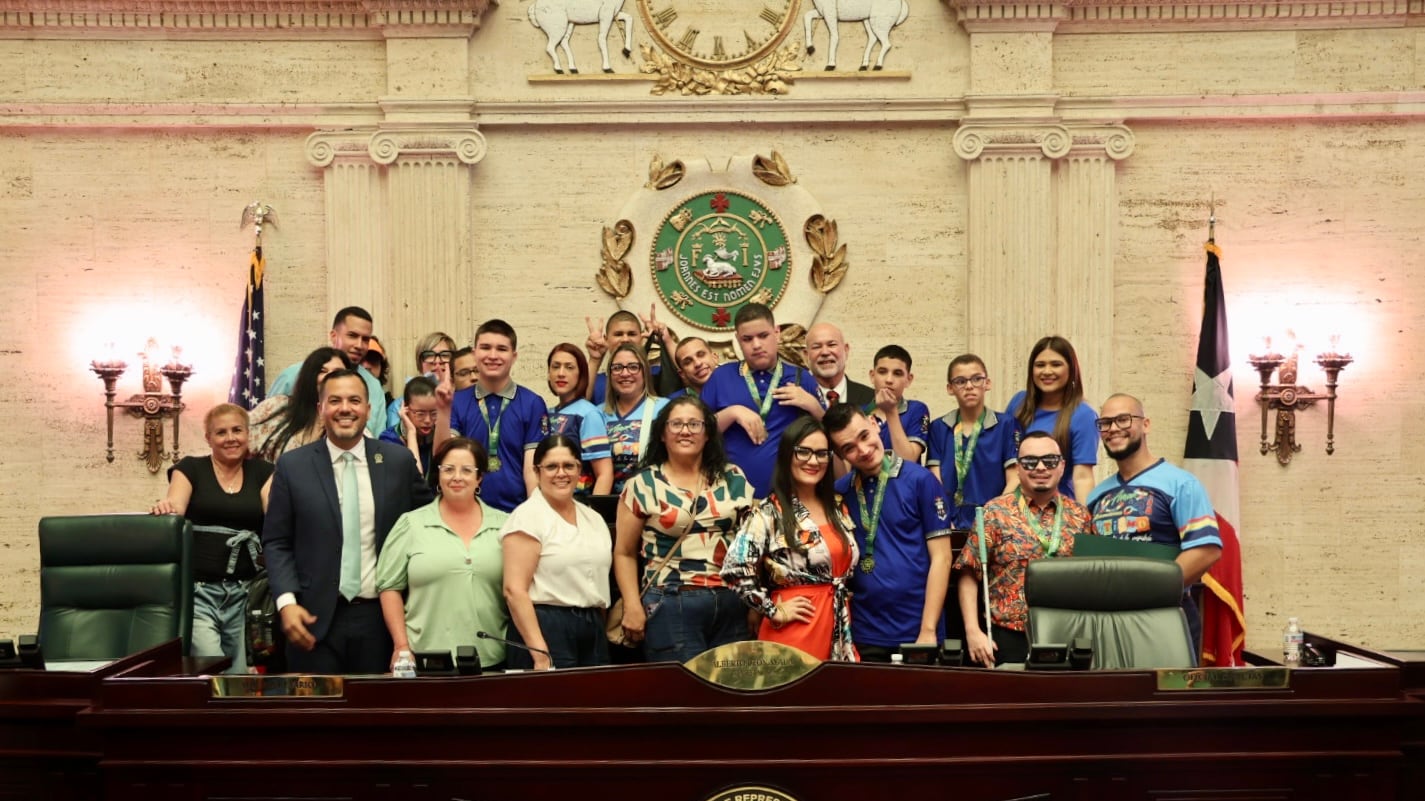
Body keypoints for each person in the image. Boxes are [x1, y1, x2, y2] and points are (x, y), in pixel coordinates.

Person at [262, 368, 433, 674]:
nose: (345, 408)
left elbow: (431, 521)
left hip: (381, 621)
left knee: (375, 716)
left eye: (354, 400)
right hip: (310, 621)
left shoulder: (398, 462)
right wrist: (286, 602)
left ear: (368, 409)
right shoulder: (293, 466)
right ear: (321, 409)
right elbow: (277, 541)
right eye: (335, 400)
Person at [614, 396, 756, 662]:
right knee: (681, 697)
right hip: (671, 602)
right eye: (676, 424)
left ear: (707, 435)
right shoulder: (643, 485)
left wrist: (754, 603)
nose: (685, 430)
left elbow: (750, 547)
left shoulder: (733, 476)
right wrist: (632, 605)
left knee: (731, 694)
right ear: (662, 434)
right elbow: (624, 553)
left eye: (694, 424)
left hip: (731, 603)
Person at [1086, 393, 1223, 659]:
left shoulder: (1181, 483)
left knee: (1166, 699)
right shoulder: (1096, 496)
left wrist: (1149, 591)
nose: (1113, 429)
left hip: (1167, 615)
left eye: (1123, 420)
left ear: (1145, 424)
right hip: (1109, 619)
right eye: (1105, 423)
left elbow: (1207, 549)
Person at [722, 417, 859, 661]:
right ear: (787, 455)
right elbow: (734, 568)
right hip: (795, 627)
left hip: (837, 622)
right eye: (803, 452)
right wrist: (772, 609)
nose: (813, 461)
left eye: (821, 453)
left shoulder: (837, 507)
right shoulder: (769, 512)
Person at [150, 403, 274, 673]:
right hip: (199, 593)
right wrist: (165, 507)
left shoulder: (264, 472)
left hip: (245, 593)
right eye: (221, 432)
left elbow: (276, 515)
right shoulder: (190, 468)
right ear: (208, 438)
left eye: (237, 430)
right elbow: (175, 506)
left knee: (238, 676)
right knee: (212, 670)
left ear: (248, 433)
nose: (231, 438)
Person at [824, 403, 951, 662]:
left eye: (864, 435)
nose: (863, 450)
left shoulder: (921, 480)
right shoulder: (840, 492)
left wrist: (927, 630)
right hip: (864, 631)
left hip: (916, 629)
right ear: (840, 454)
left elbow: (942, 558)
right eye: (849, 448)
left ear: (874, 423)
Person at [955, 432, 1092, 667]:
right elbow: (969, 571)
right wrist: (973, 631)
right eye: (1030, 461)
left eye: (1049, 461)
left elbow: (1092, 577)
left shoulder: (1081, 516)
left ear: (1061, 466)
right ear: (1018, 468)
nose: (1040, 467)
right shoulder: (994, 512)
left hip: (1067, 631)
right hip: (1007, 636)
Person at [376, 437, 511, 671]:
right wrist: (401, 646)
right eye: (448, 469)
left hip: (493, 659)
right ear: (438, 475)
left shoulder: (506, 526)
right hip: (426, 658)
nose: (457, 477)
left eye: (467, 470)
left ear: (479, 478)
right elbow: (389, 587)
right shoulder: (411, 524)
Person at [499, 435, 613, 670]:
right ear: (537, 471)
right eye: (551, 466)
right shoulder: (528, 516)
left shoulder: (593, 518)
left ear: (579, 469)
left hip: (592, 627)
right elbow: (514, 591)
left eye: (568, 466)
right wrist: (540, 654)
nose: (561, 473)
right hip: (546, 628)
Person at [700, 303, 824, 497]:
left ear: (777, 333)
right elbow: (697, 432)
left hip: (790, 497)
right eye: (747, 339)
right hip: (730, 497)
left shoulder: (802, 378)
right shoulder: (721, 377)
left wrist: (813, 405)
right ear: (738, 341)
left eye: (763, 336)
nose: (756, 345)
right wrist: (732, 412)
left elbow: (832, 437)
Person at [435, 319, 547, 513]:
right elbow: (444, 457)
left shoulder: (532, 403)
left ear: (514, 356)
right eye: (485, 347)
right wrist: (443, 411)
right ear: (474, 353)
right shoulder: (457, 402)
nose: (493, 356)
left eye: (502, 349)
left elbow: (532, 471)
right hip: (467, 513)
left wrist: (533, 516)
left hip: (516, 512)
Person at [927, 353, 1019, 530]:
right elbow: (934, 480)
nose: (969, 386)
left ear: (987, 383)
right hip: (950, 522)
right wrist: (943, 518)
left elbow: (1015, 479)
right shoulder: (939, 427)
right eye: (960, 381)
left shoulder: (1007, 425)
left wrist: (993, 516)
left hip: (994, 521)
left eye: (977, 379)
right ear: (950, 388)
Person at [267, 306, 387, 436]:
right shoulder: (292, 376)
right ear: (333, 336)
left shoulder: (373, 386)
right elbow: (268, 429)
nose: (359, 345)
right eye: (352, 336)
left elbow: (378, 439)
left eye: (365, 339)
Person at [1006, 335, 1099, 501]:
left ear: (1071, 369)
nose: (1047, 371)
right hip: (1014, 508)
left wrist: (1085, 522)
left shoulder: (1084, 416)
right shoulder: (1018, 404)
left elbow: (1083, 477)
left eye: (1056, 365)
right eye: (1040, 365)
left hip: (1057, 511)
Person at [249, 347, 351, 462]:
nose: (329, 377)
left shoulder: (350, 420)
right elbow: (237, 436)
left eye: (337, 372)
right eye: (322, 371)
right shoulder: (277, 405)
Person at [545, 343, 614, 496]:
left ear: (581, 374)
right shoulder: (546, 413)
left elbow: (604, 473)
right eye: (555, 367)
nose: (561, 373)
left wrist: (593, 516)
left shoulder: (588, 414)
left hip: (578, 506)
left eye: (569, 367)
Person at [602, 343, 669, 493]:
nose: (625, 374)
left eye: (633, 367)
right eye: (617, 367)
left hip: (654, 498)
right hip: (609, 500)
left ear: (644, 371)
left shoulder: (665, 409)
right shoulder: (597, 414)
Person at [866, 344, 930, 463]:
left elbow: (908, 460)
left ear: (908, 380)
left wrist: (891, 411)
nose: (889, 380)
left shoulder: (916, 410)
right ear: (872, 376)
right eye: (882, 372)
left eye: (897, 373)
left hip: (904, 482)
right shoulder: (859, 413)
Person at [385, 331, 457, 433]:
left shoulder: (462, 399)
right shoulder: (399, 405)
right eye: (429, 355)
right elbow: (394, 444)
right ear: (420, 362)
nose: (437, 361)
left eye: (445, 355)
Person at [380, 376, 439, 479]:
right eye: (420, 414)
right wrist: (411, 432)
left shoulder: (437, 435)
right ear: (405, 410)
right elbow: (415, 480)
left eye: (433, 413)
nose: (428, 420)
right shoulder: (388, 440)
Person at [805, 322, 873, 408]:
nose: (825, 352)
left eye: (832, 345)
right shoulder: (797, 400)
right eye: (817, 347)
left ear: (846, 350)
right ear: (806, 355)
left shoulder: (870, 399)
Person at [362, 335, 392, 409]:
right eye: (360, 360)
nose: (366, 366)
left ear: (381, 367)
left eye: (372, 359)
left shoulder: (393, 407)